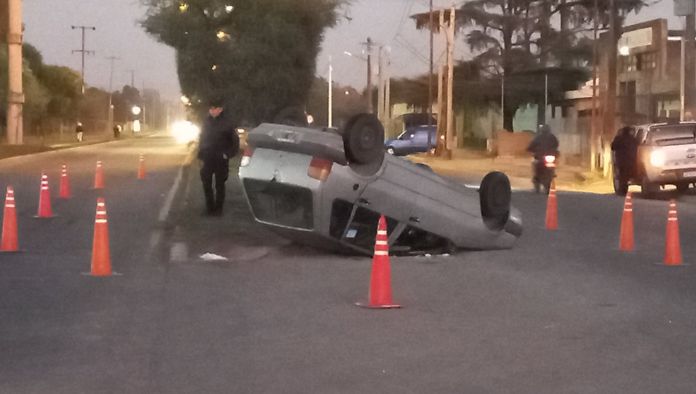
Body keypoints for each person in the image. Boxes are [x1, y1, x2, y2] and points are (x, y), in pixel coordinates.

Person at [197, 98, 239, 216]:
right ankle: (209, 208)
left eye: (214, 109)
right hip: (207, 157)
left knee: (220, 185)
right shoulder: (206, 121)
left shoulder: (227, 123)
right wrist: (200, 154)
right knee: (206, 183)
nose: (212, 111)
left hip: (221, 158)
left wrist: (227, 154)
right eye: (210, 109)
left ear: (220, 109)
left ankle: (218, 209)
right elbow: (202, 138)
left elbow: (235, 142)